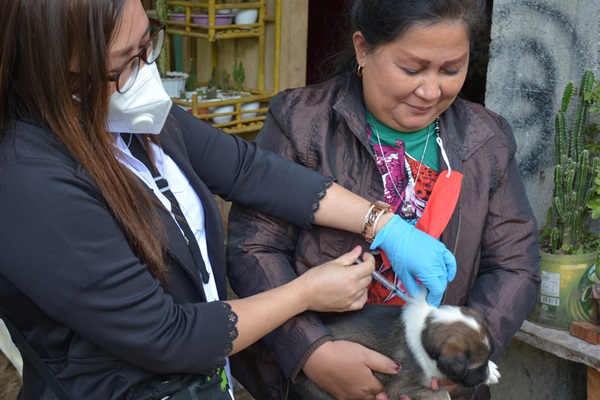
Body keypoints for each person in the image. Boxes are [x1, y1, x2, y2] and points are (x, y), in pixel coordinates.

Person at [0, 0, 459, 399]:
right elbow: (167, 335)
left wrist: (383, 224)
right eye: (123, 63)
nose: (146, 71)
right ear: (55, 72)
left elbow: (247, 169)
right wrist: (305, 293)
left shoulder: (132, 115)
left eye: (148, 44)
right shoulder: (29, 186)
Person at [226, 0, 541, 399]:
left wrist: (456, 356)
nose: (431, 90)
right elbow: (254, 248)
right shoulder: (301, 123)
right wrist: (313, 351)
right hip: (322, 384)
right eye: (411, 69)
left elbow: (514, 265)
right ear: (363, 49)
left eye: (451, 69)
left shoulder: (486, 139)